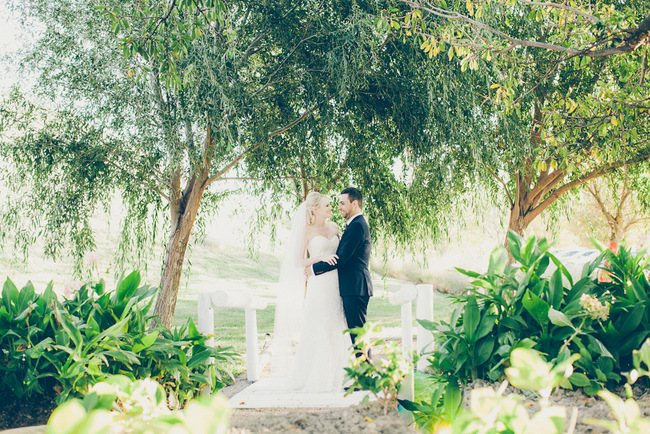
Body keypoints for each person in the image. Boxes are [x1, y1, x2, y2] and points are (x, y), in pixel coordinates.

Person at [271, 192, 351, 392]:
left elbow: (342, 254)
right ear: (315, 209)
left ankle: (339, 376)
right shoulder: (306, 231)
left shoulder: (334, 227)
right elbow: (298, 261)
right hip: (319, 285)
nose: (331, 208)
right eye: (326, 206)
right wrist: (319, 259)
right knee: (319, 326)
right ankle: (317, 378)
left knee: (336, 326)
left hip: (336, 284)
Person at [308, 187, 373, 352]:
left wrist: (315, 269)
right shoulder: (353, 225)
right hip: (350, 286)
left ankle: (366, 374)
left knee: (358, 334)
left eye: (343, 203)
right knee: (355, 333)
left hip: (355, 287)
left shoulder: (357, 226)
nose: (339, 207)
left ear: (355, 204)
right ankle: (364, 371)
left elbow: (341, 258)